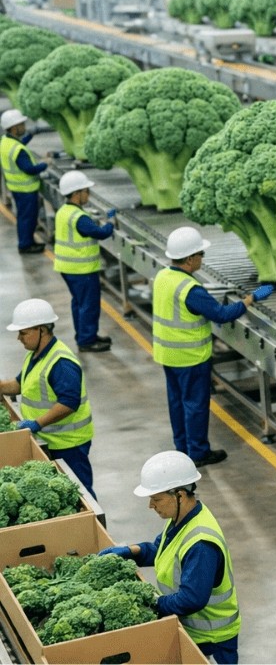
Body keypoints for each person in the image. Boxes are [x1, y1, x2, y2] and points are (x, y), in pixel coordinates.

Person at [100, 451, 240, 664]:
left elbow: (190, 600)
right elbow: (161, 550)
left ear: (180, 495)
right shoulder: (181, 519)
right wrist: (129, 552)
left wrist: (149, 603)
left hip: (211, 640)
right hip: (191, 631)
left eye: (156, 499)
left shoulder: (201, 544)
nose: (151, 505)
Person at [153, 226, 273, 467]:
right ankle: (198, 453)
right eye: (201, 254)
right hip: (190, 357)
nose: (202, 258)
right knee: (195, 405)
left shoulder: (164, 276)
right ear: (189, 259)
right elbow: (221, 314)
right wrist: (251, 298)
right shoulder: (190, 289)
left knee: (177, 403)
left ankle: (182, 448)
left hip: (168, 354)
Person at [0, 299, 96, 497]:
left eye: (23, 333)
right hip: (49, 439)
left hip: (68, 443)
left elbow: (69, 403)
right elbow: (20, 384)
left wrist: (37, 423)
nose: (19, 338)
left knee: (80, 494)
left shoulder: (61, 362)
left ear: (42, 330)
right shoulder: (36, 354)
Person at [53, 171, 116, 353]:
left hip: (68, 268)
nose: (88, 195)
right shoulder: (78, 217)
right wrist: (110, 222)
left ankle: (83, 335)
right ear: (76, 193)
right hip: (82, 269)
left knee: (79, 303)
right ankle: (87, 340)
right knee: (89, 304)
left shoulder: (64, 211)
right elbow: (100, 233)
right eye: (86, 191)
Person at [1, 109, 49, 254]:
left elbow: (19, 144)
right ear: (14, 128)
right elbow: (29, 169)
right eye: (22, 124)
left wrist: (30, 135)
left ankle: (27, 242)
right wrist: (45, 163)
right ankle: (26, 245)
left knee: (24, 217)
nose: (24, 126)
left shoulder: (5, 141)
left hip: (16, 188)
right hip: (26, 190)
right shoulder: (17, 150)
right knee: (28, 218)